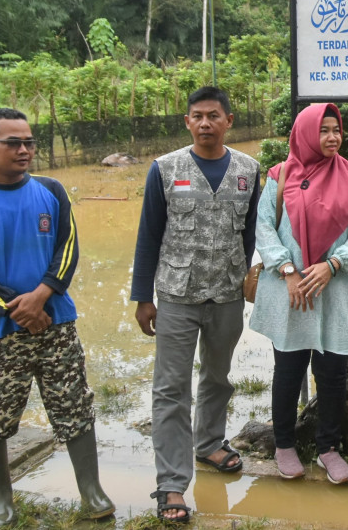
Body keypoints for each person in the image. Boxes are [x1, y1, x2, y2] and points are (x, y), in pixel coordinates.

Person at [0, 108, 113, 526]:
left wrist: (42, 295)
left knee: (73, 405)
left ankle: (91, 492)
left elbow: (68, 249)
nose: (24, 150)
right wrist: (16, 309)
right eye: (13, 143)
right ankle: (0, 502)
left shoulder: (51, 191)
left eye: (29, 142)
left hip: (56, 324)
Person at [130, 86, 261, 523]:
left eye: (213, 115)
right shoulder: (165, 169)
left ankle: (209, 443)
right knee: (170, 389)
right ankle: (171, 483)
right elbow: (149, 235)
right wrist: (142, 296)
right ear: (187, 121)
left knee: (218, 376)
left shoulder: (249, 171)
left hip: (226, 292)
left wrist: (250, 277)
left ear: (229, 121)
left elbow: (251, 235)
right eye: (197, 116)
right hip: (175, 294)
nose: (205, 123)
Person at [250, 103, 348, 484]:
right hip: (291, 291)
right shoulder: (280, 175)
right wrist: (287, 269)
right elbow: (264, 228)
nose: (332, 137)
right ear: (306, 132)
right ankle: (284, 444)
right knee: (288, 370)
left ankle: (328, 447)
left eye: (336, 130)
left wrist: (332, 264)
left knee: (332, 372)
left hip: (335, 289)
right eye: (323, 130)